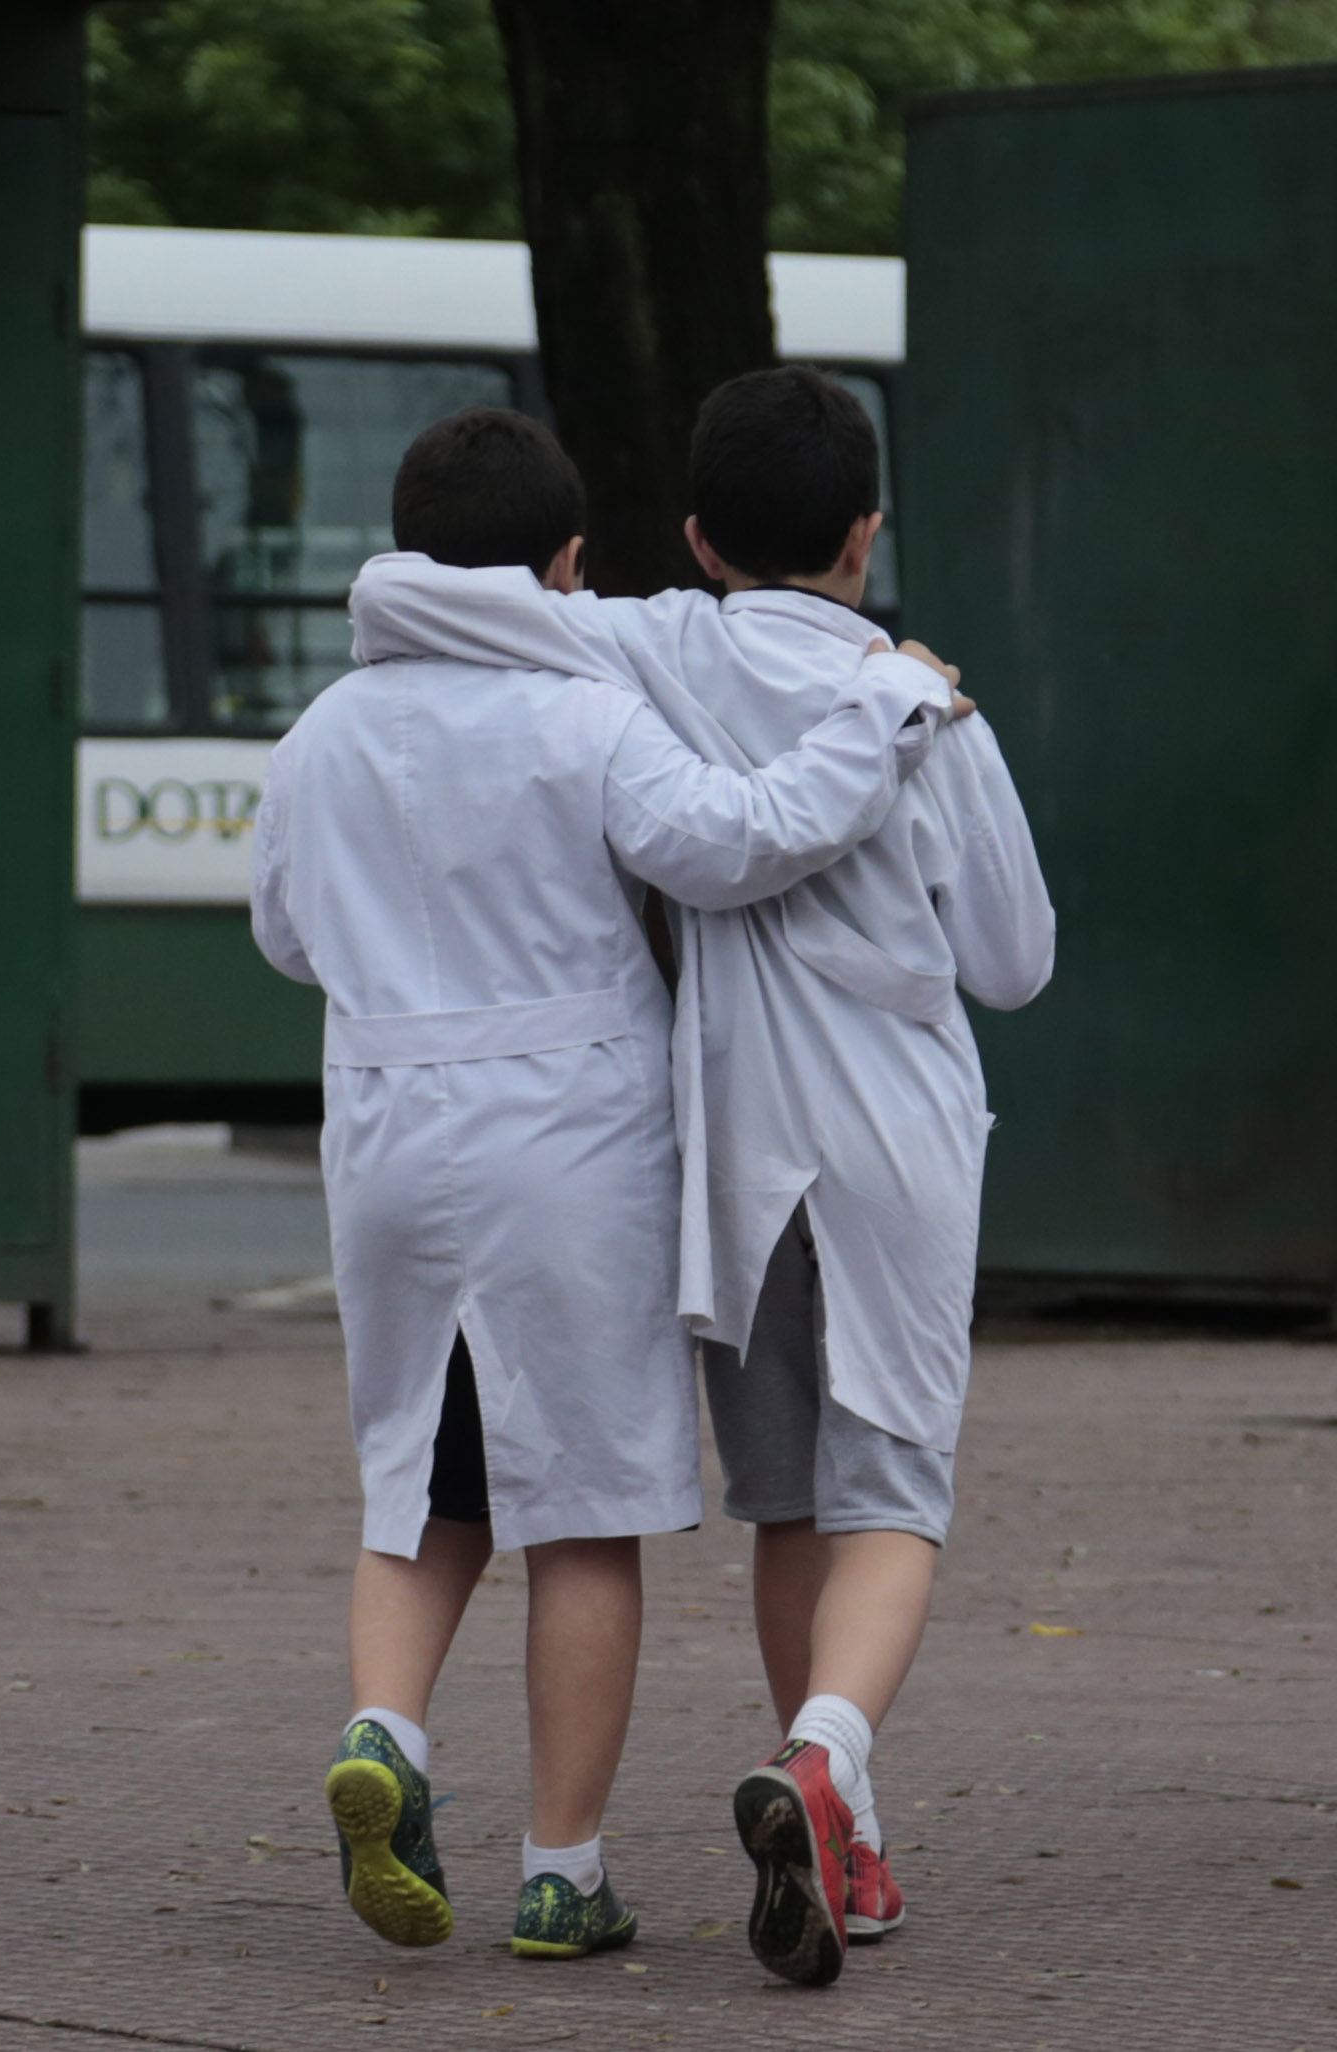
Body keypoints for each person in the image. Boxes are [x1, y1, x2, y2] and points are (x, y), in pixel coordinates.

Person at [346, 367, 1054, 1986]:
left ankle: (830, 1815)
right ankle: (825, 1763)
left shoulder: (637, 648)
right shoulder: (923, 707)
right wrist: (907, 702)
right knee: (895, 1492)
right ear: (867, 534)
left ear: (687, 536)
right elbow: (1011, 964)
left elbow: (495, 617)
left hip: (728, 1151)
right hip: (888, 1132)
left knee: (785, 1494)